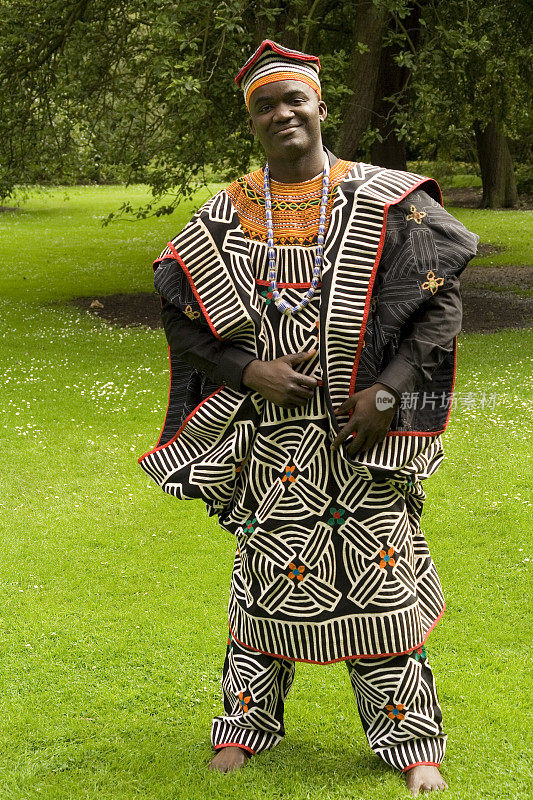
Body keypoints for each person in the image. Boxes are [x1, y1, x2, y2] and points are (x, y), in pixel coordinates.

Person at [138, 40, 478, 795]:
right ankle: (244, 725)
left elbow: (439, 307)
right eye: (265, 105)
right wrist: (246, 371)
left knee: (382, 584)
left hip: (365, 437)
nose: (281, 113)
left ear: (320, 107)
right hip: (269, 445)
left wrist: (388, 392)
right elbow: (179, 317)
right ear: (252, 122)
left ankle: (410, 740)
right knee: (265, 583)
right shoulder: (221, 215)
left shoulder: (390, 198)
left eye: (294, 99)